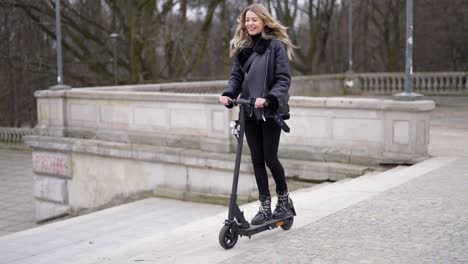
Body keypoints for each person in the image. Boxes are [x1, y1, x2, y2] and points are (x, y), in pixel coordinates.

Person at [218, 3, 296, 225]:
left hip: (269, 111)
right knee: (256, 160)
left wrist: (270, 98)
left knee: (270, 158)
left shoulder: (275, 46)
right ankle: (264, 205)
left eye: (254, 19)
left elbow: (283, 79)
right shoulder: (242, 48)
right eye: (247, 20)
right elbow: (236, 78)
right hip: (249, 111)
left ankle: (283, 200)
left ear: (264, 21)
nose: (249, 23)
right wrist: (228, 94)